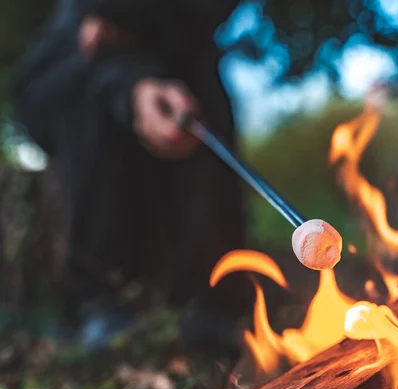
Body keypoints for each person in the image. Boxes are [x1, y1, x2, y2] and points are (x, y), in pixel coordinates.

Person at [12, 0, 250, 349]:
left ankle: (212, 296)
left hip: (180, 71)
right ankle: (98, 302)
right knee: (87, 84)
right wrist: (132, 86)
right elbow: (36, 101)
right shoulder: (73, 31)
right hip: (75, 93)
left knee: (205, 101)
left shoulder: (191, 40)